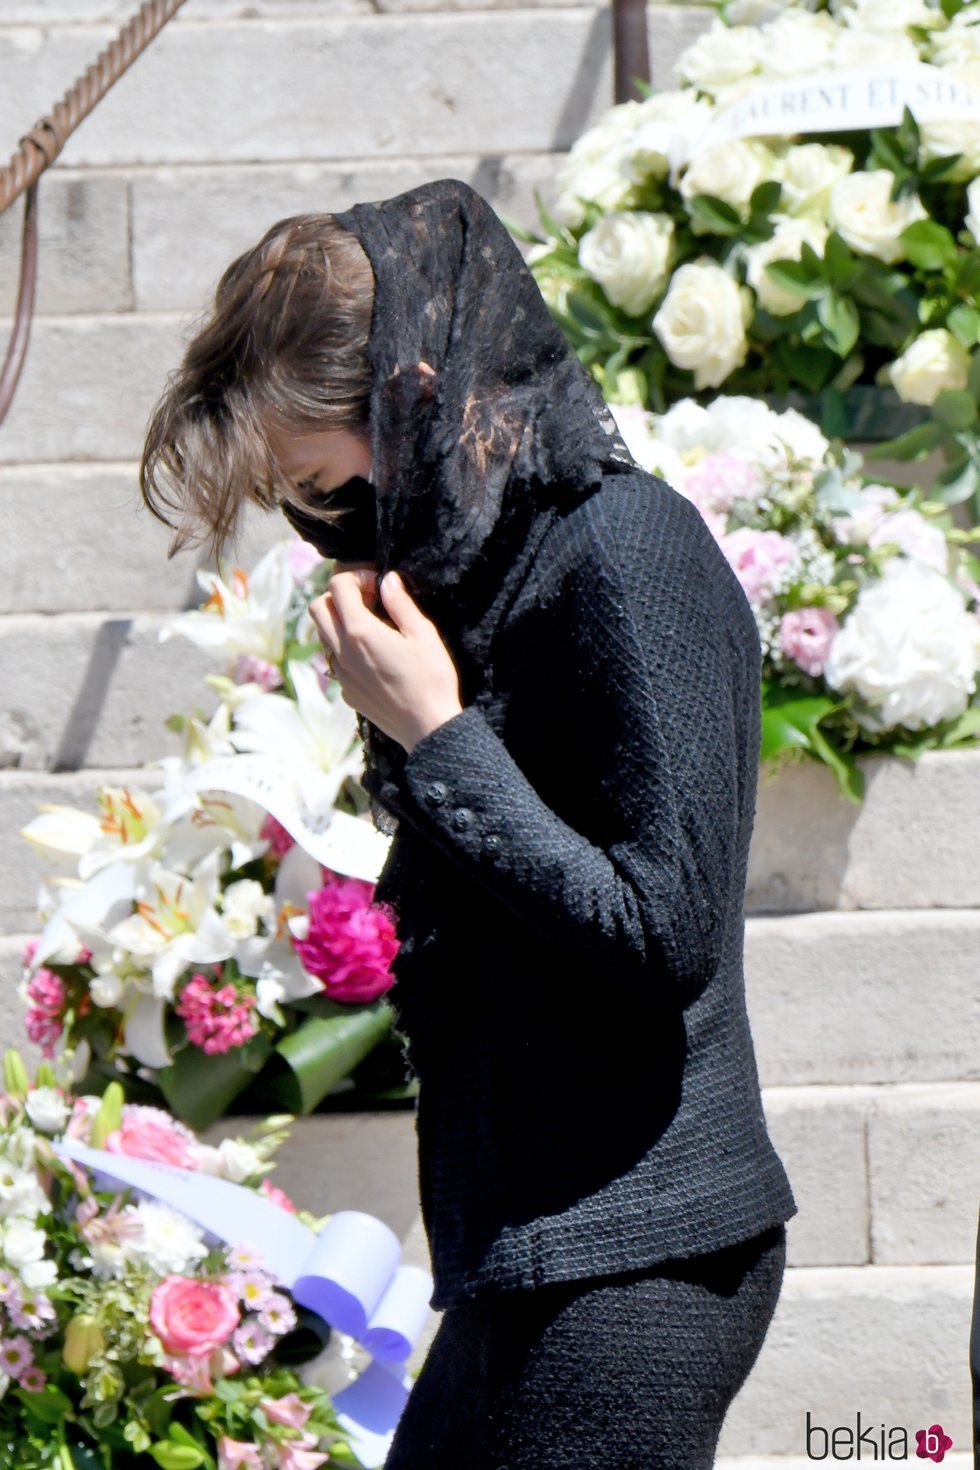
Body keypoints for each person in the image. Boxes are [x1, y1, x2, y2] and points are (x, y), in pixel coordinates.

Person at [140, 177, 798, 1469]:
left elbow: (666, 929)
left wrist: (437, 732)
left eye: (323, 475)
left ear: (418, 389)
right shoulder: (489, 570)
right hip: (535, 1248)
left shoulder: (624, 548)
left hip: (642, 1250)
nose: (325, 514)